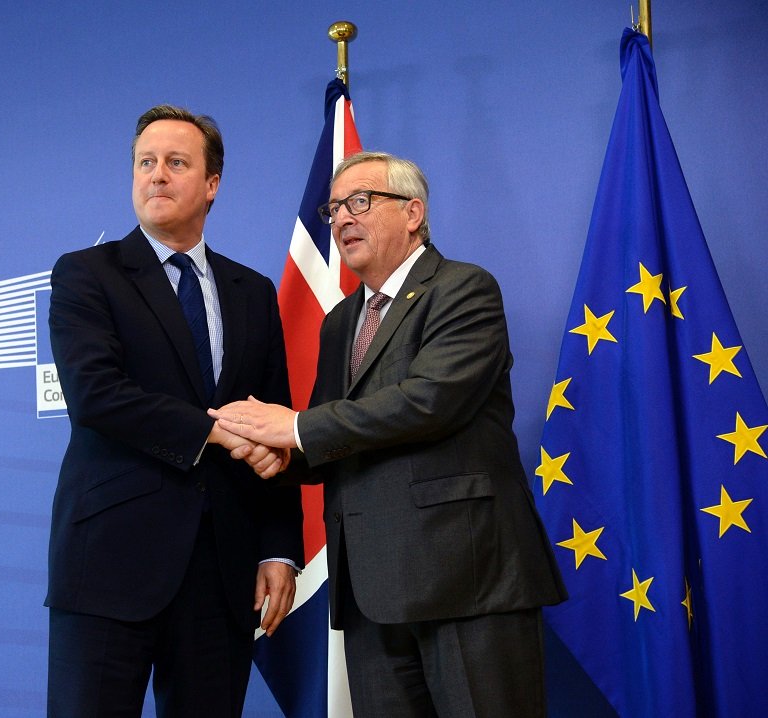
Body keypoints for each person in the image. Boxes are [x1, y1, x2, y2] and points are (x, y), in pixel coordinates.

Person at [211, 151, 567, 718]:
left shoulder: (463, 289)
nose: (342, 219)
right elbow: (335, 437)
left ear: (413, 213)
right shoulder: (341, 321)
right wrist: (281, 456)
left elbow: (429, 402)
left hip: (465, 582)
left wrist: (295, 427)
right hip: (369, 592)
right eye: (334, 209)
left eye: (361, 202)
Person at [44, 104, 303, 718]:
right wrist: (217, 432)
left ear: (212, 185)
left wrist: (276, 549)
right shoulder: (87, 274)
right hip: (110, 566)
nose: (156, 175)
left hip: (222, 573)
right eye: (145, 162)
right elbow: (95, 395)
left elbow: (276, 424)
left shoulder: (253, 292)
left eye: (176, 163)